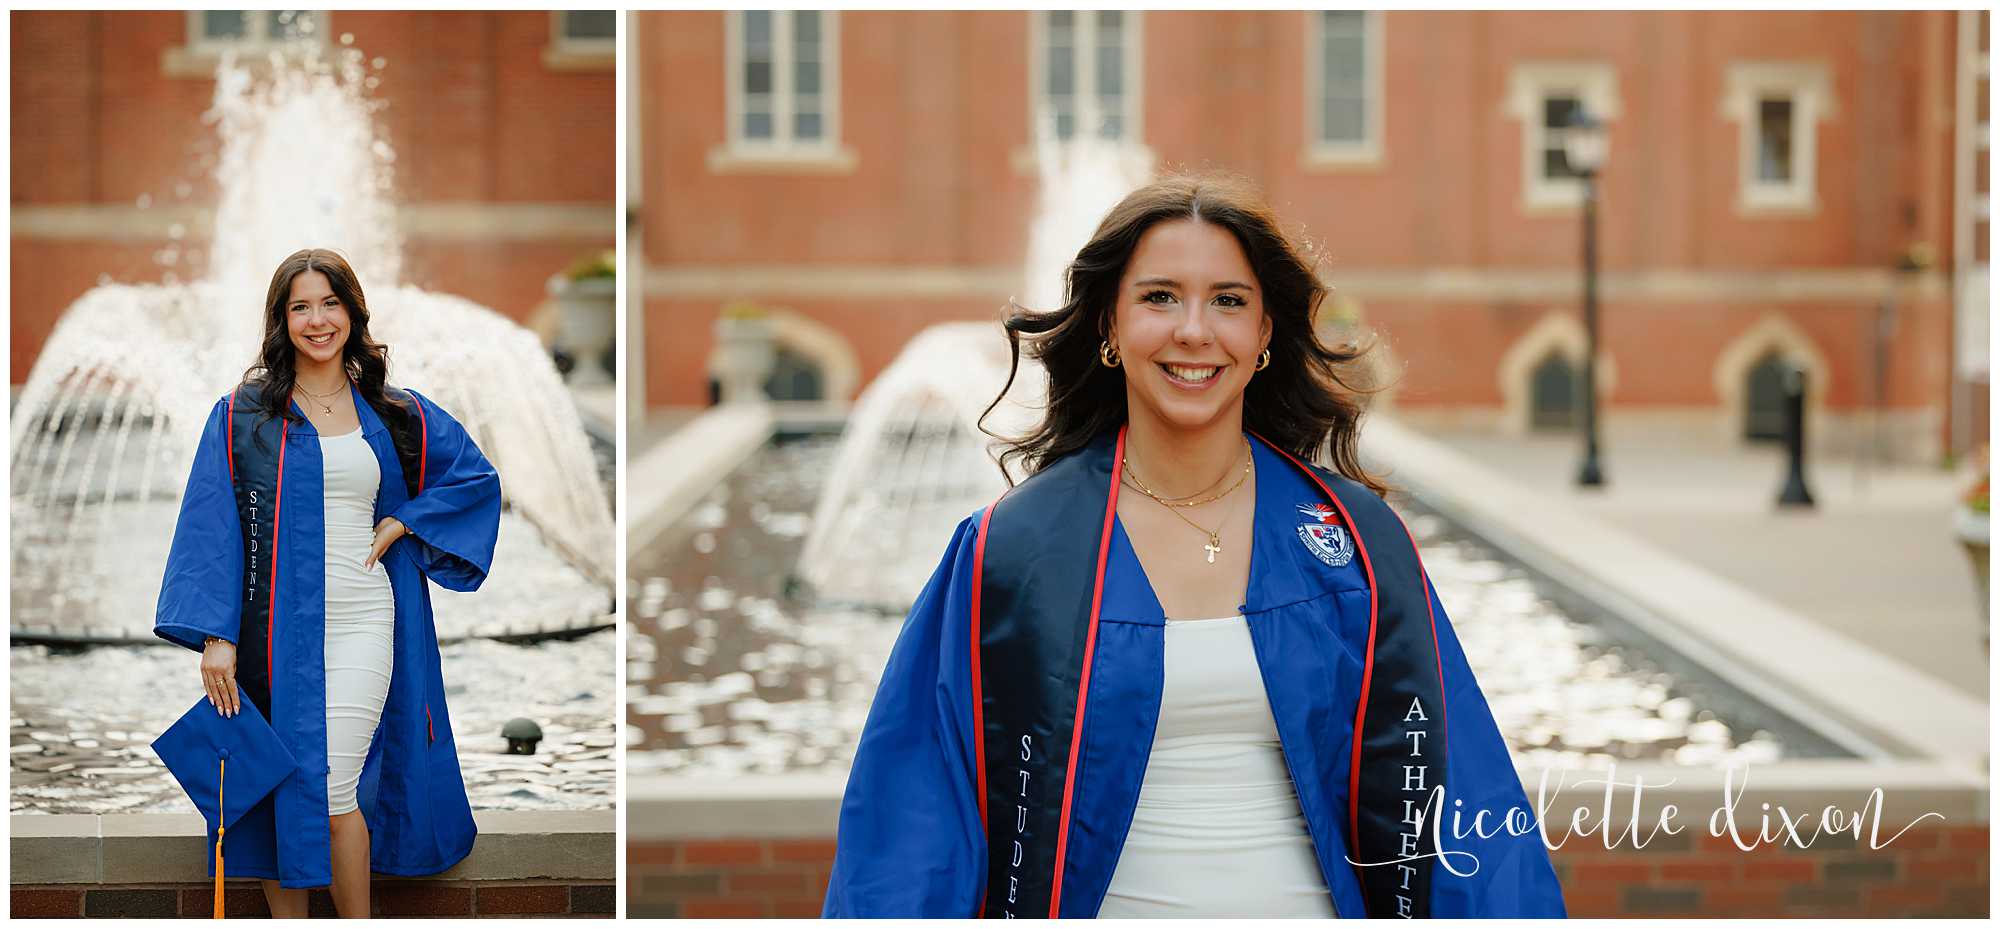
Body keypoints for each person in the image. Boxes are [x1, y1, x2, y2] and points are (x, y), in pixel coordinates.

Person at [823, 175, 1566, 918]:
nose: (1194, 330)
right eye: (1159, 297)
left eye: (1229, 301)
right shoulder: (1013, 552)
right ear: (1110, 327)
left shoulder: (1356, 546)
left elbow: (1459, 795)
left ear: (1265, 332)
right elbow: (914, 821)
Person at [154, 247, 501, 917]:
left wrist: (404, 519)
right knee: (273, 781)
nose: (317, 320)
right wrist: (216, 635)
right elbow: (210, 522)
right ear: (282, 321)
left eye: (329, 303)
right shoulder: (246, 415)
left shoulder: (393, 412)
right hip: (272, 631)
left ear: (352, 310)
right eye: (301, 307)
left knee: (334, 784)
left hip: (363, 619)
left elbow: (474, 477)